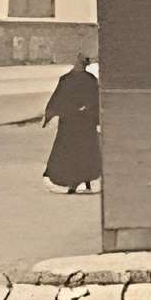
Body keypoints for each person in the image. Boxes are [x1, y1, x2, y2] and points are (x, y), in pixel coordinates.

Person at [40, 53, 102, 194]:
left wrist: (52, 113)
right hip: (78, 123)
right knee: (81, 152)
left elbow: (58, 99)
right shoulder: (85, 80)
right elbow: (60, 98)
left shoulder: (79, 80)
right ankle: (78, 183)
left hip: (75, 123)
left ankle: (79, 183)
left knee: (76, 152)